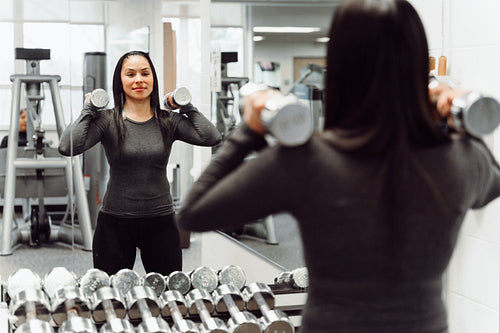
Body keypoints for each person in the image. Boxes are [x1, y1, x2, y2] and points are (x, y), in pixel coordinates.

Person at [177, 1, 500, 332]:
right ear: (419, 67)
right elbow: (493, 181)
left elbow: (193, 213)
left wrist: (250, 131)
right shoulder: (461, 161)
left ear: (341, 66)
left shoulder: (305, 162)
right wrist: (461, 122)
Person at [58, 50, 221, 276]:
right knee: (112, 298)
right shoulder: (107, 121)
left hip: (161, 223)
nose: (138, 80)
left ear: (153, 79)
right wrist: (89, 110)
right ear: (120, 80)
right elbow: (67, 147)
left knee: (167, 296)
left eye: (145, 73)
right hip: (115, 223)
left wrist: (184, 105)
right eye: (130, 74)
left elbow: (211, 137)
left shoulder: (168, 121)